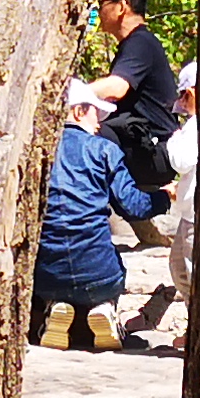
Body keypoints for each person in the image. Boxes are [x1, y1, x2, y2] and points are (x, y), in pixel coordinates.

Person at [34, 81, 167, 351]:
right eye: (97, 114)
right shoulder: (104, 150)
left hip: (47, 275)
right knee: (110, 267)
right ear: (79, 111)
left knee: (56, 272)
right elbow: (134, 207)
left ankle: (55, 308)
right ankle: (105, 309)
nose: (100, 124)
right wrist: (166, 196)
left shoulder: (37, 151)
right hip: (100, 275)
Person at [86, 0, 177, 206]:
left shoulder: (141, 43)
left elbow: (117, 87)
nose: (99, 9)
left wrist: (70, 93)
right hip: (144, 146)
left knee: (81, 138)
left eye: (104, 2)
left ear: (121, 6)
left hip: (153, 151)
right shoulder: (135, 44)